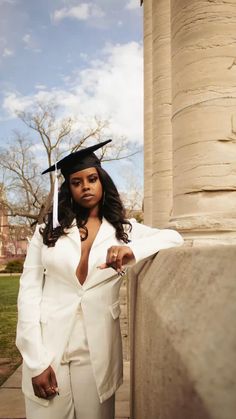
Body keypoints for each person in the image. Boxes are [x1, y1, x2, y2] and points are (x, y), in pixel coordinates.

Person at [16, 139, 184, 419]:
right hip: (49, 346)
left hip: (96, 353)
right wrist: (35, 362)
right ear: (68, 189)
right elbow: (28, 292)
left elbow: (174, 237)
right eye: (76, 182)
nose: (85, 186)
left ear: (102, 181)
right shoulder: (47, 232)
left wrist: (131, 250)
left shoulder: (123, 230)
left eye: (92, 179)